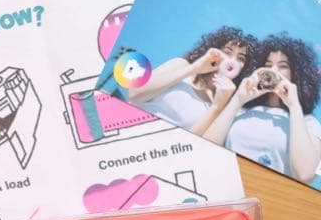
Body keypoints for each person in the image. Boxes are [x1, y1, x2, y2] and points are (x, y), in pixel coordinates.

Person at [205, 34, 321, 182]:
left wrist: (294, 106)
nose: (273, 70)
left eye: (283, 66)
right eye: (268, 65)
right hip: (225, 183)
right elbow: (205, 149)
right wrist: (238, 99)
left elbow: (305, 175)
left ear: (297, 74)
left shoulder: (308, 123)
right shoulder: (240, 110)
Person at [129, 26, 256, 137]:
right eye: (227, 52)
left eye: (241, 58)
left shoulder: (223, 105)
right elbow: (133, 94)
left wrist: (217, 106)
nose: (233, 60)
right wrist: (195, 68)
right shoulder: (181, 65)